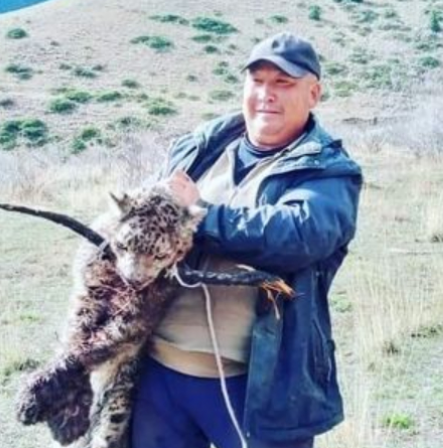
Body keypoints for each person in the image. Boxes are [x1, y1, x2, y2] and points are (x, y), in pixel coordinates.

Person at [131, 32, 363, 448]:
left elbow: (298, 234)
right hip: (159, 376)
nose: (266, 94)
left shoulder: (329, 170)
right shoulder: (199, 149)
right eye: (257, 81)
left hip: (258, 389)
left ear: (314, 93)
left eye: (283, 83)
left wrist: (198, 213)